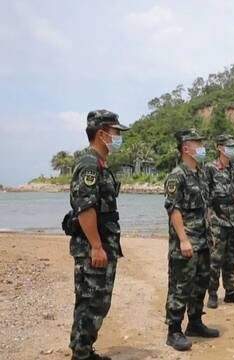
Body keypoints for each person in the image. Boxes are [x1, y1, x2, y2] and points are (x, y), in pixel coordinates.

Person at [66, 109, 129, 360]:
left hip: (103, 243)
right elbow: (85, 208)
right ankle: (80, 354)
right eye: (116, 132)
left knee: (98, 302)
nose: (119, 136)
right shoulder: (90, 164)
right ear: (102, 134)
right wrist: (95, 246)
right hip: (93, 247)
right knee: (90, 302)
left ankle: (84, 350)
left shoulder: (99, 164)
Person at [164, 129, 219, 351]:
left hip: (203, 240)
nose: (202, 147)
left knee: (201, 282)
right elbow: (173, 209)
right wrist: (184, 240)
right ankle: (174, 330)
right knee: (180, 285)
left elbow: (205, 206)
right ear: (186, 148)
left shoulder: (202, 173)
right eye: (198, 143)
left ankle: (195, 323)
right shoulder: (177, 175)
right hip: (186, 242)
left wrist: (210, 231)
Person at [205, 134, 234, 309]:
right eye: (229, 146)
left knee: (232, 258)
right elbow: (206, 196)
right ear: (220, 148)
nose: (232, 150)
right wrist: (207, 219)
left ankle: (230, 292)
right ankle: (213, 293)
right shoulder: (210, 168)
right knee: (216, 258)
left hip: (233, 220)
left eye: (233, 146)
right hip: (217, 219)